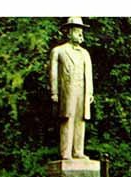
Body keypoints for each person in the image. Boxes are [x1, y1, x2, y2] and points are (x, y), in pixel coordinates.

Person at [48, 17, 94, 160]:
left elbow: (89, 74)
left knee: (81, 120)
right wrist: (54, 92)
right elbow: (53, 74)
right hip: (67, 90)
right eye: (77, 31)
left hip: (83, 90)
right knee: (67, 119)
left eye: (81, 31)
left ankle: (78, 151)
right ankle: (66, 152)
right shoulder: (58, 51)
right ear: (68, 33)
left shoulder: (85, 53)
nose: (80, 34)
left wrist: (90, 92)